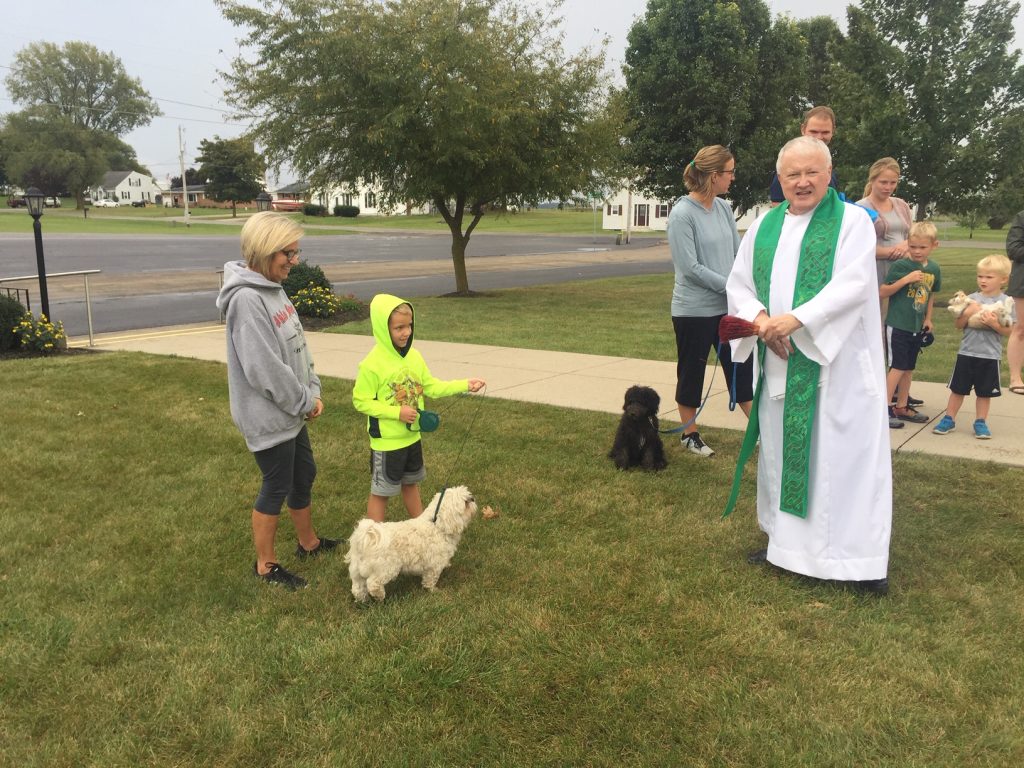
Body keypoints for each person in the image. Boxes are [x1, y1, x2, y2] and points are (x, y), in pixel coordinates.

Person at [725, 136, 891, 595]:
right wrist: (760, 323)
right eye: (792, 174)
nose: (802, 182)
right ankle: (786, 546)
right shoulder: (763, 225)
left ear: (829, 174)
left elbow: (853, 285)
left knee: (841, 462)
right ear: (780, 180)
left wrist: (795, 322)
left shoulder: (852, 222)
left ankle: (856, 562)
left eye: (811, 172)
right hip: (779, 362)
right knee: (780, 454)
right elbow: (738, 283)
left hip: (836, 371)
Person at [216, 211, 338, 590]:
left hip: (292, 409)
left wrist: (312, 387)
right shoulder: (247, 300)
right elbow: (264, 370)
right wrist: (304, 401)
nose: (295, 261)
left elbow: (298, 345)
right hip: (269, 415)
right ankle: (266, 566)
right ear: (265, 251)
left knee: (304, 474)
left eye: (296, 252)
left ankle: (309, 543)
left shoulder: (274, 286)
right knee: (277, 483)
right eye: (288, 252)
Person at [353, 294, 485, 522]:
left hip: (412, 438)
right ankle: (373, 538)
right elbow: (360, 401)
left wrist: (464, 384)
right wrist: (397, 412)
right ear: (384, 329)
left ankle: (423, 528)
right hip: (387, 442)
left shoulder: (414, 357)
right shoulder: (372, 364)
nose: (406, 332)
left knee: (411, 484)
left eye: (409, 325)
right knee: (381, 492)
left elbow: (431, 386)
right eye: (399, 327)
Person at [667, 144, 753, 457]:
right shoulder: (681, 215)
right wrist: (731, 286)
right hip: (694, 311)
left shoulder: (723, 208)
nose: (733, 178)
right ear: (714, 175)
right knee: (692, 371)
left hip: (727, 307)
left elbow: (736, 253)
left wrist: (744, 284)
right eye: (729, 172)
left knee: (741, 366)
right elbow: (690, 269)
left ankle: (758, 431)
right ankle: (689, 435)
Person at [933, 255, 1017, 438]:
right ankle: (949, 418)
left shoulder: (1006, 302)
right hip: (966, 352)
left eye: (989, 277)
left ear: (1003, 279)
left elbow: (1011, 332)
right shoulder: (970, 298)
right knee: (958, 389)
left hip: (990, 356)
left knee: (984, 393)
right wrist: (968, 313)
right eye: (980, 276)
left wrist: (994, 324)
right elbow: (958, 325)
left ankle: (980, 422)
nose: (983, 280)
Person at [880, 221, 942, 429]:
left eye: (922, 247)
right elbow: (883, 291)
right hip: (898, 324)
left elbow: (930, 295)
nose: (916, 251)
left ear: (934, 245)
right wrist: (905, 280)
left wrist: (928, 318)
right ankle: (884, 408)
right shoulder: (901, 266)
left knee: (908, 368)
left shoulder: (933, 269)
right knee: (897, 366)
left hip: (916, 325)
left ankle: (902, 405)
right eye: (912, 246)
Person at [767, 106, 840, 205]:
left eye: (825, 132)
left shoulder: (829, 166)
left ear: (833, 131)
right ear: (803, 129)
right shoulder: (789, 162)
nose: (819, 137)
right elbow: (777, 205)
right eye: (813, 132)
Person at [1006, 211, 1024, 395]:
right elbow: (1013, 249)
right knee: (1021, 328)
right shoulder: (1022, 217)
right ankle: (1015, 378)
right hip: (1023, 282)